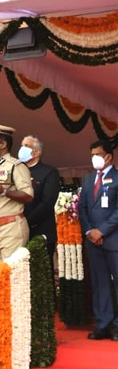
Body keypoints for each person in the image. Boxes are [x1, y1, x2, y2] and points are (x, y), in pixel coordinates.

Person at [78, 139, 118, 341]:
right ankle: (103, 324)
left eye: (98, 154)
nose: (94, 158)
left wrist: (101, 231)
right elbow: (81, 208)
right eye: (92, 154)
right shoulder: (88, 179)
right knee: (100, 283)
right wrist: (89, 231)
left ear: (109, 156)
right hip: (92, 241)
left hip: (113, 240)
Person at [0, 123, 33, 268]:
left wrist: (4, 191)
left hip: (10, 228)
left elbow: (28, 196)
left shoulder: (15, 165)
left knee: (13, 276)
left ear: (3, 144)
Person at [20, 134, 61, 265]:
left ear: (36, 152)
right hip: (18, 231)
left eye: (26, 146)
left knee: (42, 274)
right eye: (22, 146)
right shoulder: (18, 170)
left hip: (40, 230)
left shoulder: (49, 172)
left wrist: (27, 221)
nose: (22, 149)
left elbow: (47, 203)